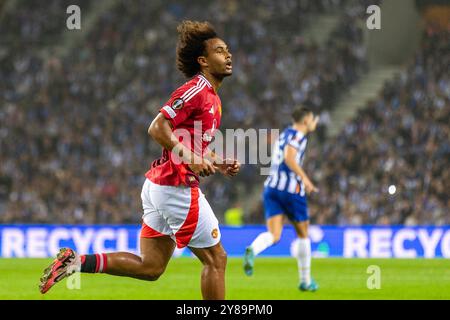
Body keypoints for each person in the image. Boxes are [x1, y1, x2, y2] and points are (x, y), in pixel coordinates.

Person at [39, 20, 240, 300]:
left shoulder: (213, 99)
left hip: (159, 187)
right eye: (220, 51)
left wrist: (217, 162)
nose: (228, 55)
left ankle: (74, 262)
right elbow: (157, 127)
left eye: (228, 50)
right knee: (216, 260)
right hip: (176, 189)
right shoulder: (195, 90)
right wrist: (191, 157)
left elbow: (193, 144)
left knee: (151, 267)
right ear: (203, 61)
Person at [243, 107, 319, 292]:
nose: (314, 122)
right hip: (291, 191)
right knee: (303, 235)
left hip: (271, 188)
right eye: (312, 118)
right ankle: (305, 280)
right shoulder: (299, 137)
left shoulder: (285, 134)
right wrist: (306, 180)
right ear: (305, 120)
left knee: (274, 235)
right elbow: (289, 158)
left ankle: (253, 249)